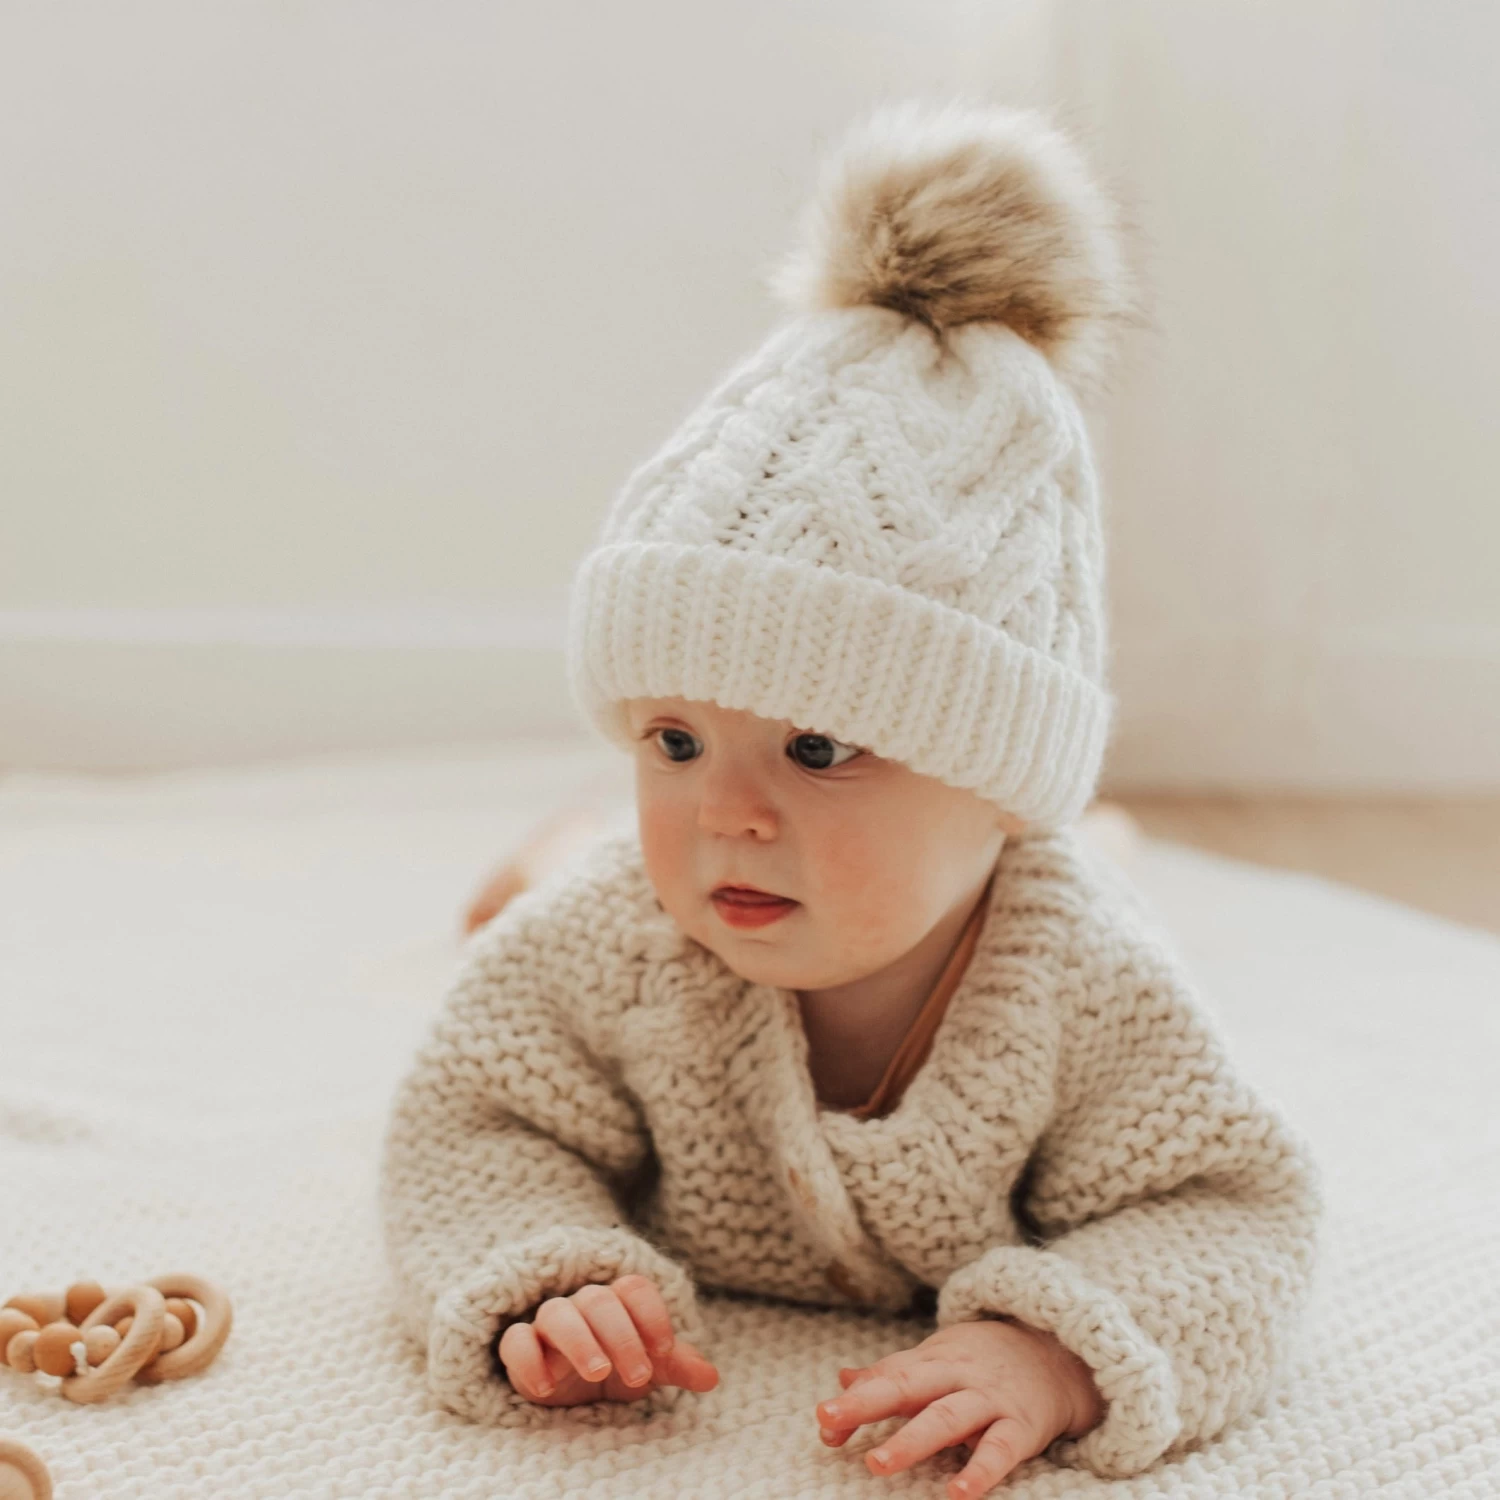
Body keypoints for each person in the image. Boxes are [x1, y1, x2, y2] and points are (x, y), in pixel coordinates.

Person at [379, 99, 1320, 1499]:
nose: (727, 815)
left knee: (1108, 883)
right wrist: (544, 1274)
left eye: (819, 751)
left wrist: (1058, 1351)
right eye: (673, 740)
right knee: (532, 905)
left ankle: (1093, 821)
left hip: (1041, 885)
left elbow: (1229, 1217)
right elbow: (477, 1124)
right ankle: (561, 833)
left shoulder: (1085, 986)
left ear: (1003, 787)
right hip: (590, 906)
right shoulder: (621, 936)